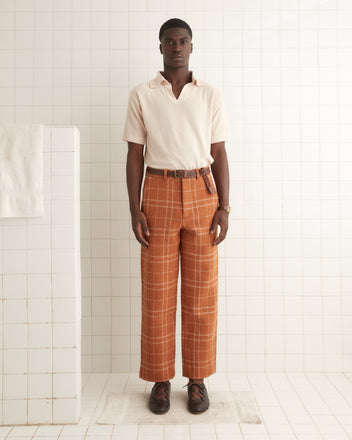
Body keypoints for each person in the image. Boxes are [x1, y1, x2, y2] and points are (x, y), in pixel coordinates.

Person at [123, 18, 230, 415]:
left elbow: (218, 152)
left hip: (203, 193)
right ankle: (160, 381)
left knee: (201, 293)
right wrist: (134, 209)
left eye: (183, 41)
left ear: (191, 45)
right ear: (160, 47)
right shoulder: (142, 95)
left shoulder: (210, 95)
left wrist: (225, 206)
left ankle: (197, 380)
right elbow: (135, 154)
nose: (177, 47)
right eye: (169, 42)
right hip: (159, 192)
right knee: (157, 293)